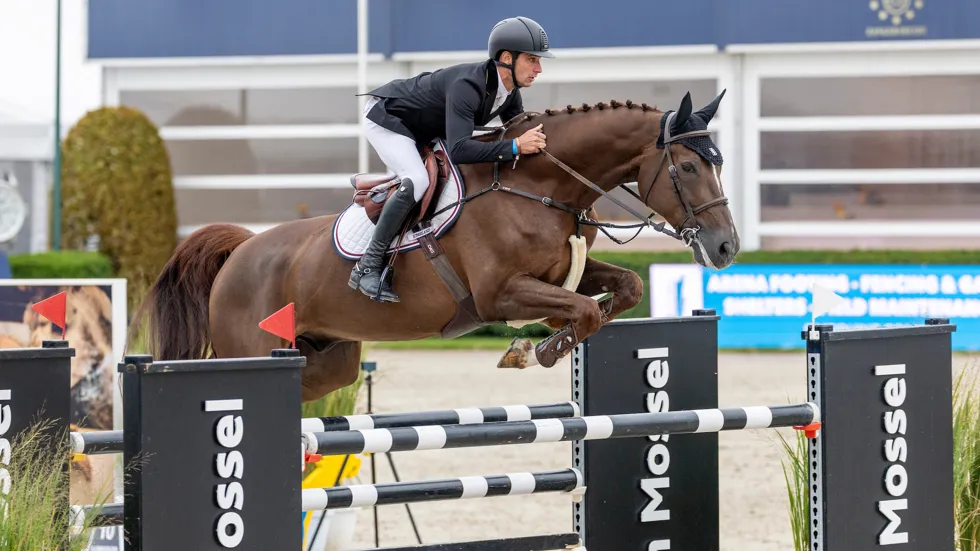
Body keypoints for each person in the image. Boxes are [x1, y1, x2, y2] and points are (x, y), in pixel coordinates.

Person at [349, 16, 554, 303]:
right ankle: (367, 266)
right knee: (417, 179)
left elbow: (518, 131)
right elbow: (460, 150)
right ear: (507, 57)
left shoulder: (510, 94)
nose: (539, 68)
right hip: (388, 118)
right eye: (532, 59)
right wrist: (517, 147)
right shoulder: (467, 85)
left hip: (424, 128)